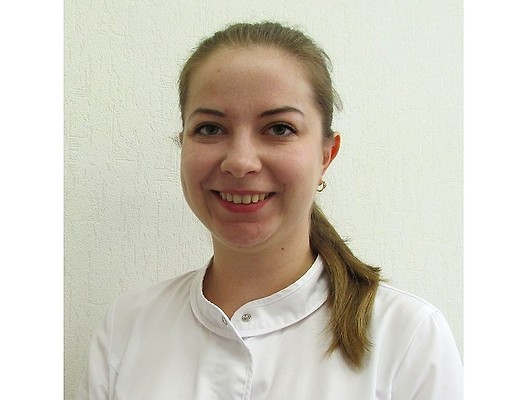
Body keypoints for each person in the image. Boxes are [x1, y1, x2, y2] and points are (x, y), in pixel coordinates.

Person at [77, 21, 463, 399]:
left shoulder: (409, 338)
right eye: (210, 128)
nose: (240, 162)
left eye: (279, 129)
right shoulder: (125, 329)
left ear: (325, 156)